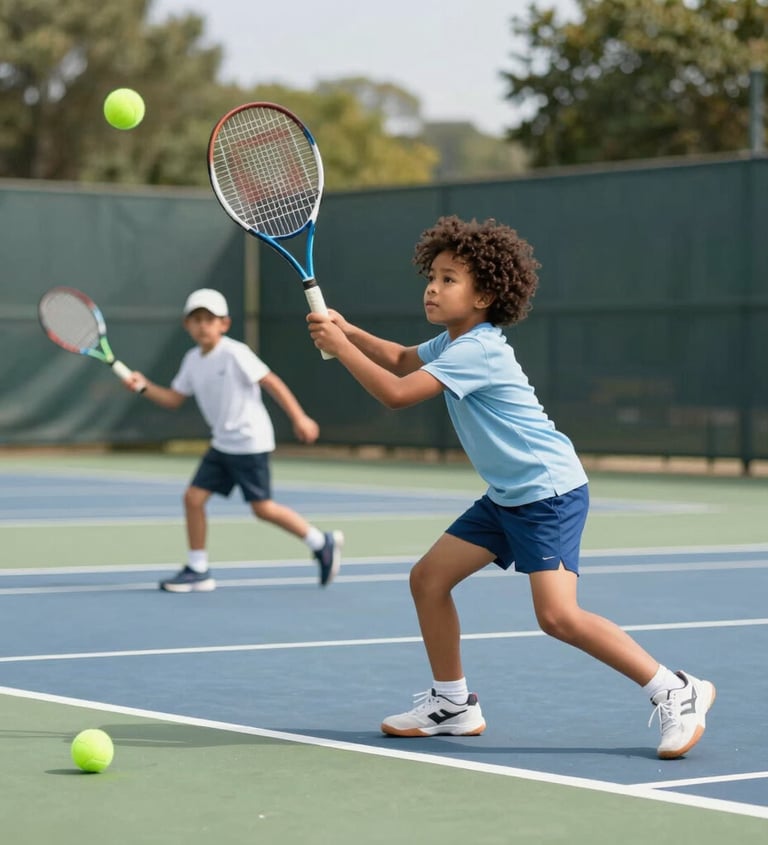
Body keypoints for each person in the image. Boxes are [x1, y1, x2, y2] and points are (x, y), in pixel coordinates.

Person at [306, 215, 714, 760]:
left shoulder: (479, 350)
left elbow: (396, 392)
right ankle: (453, 704)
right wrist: (350, 332)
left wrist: (340, 345)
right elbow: (403, 359)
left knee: (558, 617)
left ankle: (675, 689)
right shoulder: (454, 341)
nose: (433, 286)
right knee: (429, 579)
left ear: (486, 295)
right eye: (432, 275)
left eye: (449, 279)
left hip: (547, 493)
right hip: (507, 495)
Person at [125, 288, 343, 593]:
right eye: (196, 319)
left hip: (249, 442)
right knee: (193, 499)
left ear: (223, 324)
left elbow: (271, 381)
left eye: (209, 319)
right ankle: (198, 569)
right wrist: (143, 387)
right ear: (187, 325)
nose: (202, 325)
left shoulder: (235, 352)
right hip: (223, 443)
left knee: (263, 509)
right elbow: (174, 399)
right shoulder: (192, 360)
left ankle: (321, 542)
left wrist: (299, 417)